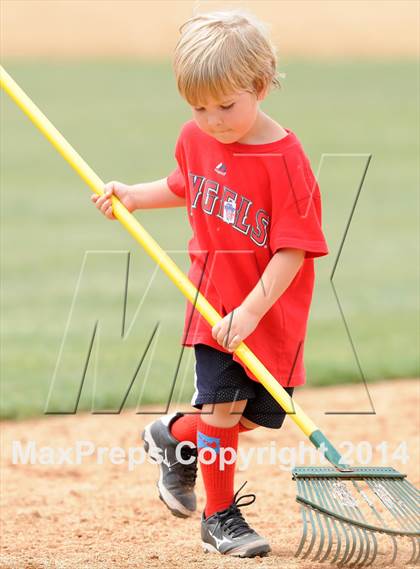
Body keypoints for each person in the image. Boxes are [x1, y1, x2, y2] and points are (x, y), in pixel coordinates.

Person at [91, 9, 328, 558]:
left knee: (249, 416)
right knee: (223, 412)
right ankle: (221, 518)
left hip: (269, 311)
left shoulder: (286, 160)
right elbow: (185, 184)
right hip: (214, 304)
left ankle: (172, 437)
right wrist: (133, 195)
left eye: (226, 105)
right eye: (198, 107)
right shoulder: (194, 137)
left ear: (262, 85)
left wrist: (252, 311)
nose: (213, 120)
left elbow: (294, 249)